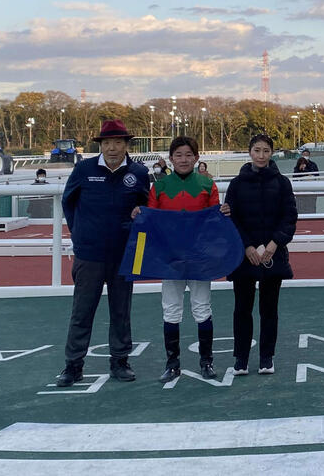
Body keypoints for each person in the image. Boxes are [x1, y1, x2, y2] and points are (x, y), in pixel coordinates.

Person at [55, 119, 149, 386]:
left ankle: (120, 361)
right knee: (82, 311)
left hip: (124, 255)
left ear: (126, 145)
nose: (112, 148)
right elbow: (68, 202)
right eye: (107, 142)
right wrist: (80, 233)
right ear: (101, 145)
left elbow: (145, 210)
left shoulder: (139, 173)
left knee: (121, 311)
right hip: (90, 254)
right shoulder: (83, 169)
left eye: (118, 142)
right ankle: (73, 365)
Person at [131, 136, 226, 382]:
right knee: (171, 311)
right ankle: (172, 364)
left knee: (202, 308)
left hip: (198, 258)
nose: (183, 159)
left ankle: (207, 362)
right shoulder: (159, 186)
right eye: (178, 155)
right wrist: (139, 214)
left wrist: (224, 212)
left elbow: (214, 222)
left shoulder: (208, 185)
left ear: (196, 158)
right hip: (170, 258)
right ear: (170, 159)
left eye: (188, 155)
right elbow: (151, 220)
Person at [225, 134, 297, 375]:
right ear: (250, 152)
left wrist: (274, 244)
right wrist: (246, 247)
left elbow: (289, 217)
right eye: (257, 150)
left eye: (266, 151)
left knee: (269, 310)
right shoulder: (236, 184)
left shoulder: (283, 183)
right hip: (244, 257)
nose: (261, 155)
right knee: (242, 310)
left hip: (272, 255)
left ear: (271, 153)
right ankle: (241, 358)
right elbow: (232, 219)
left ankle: (267, 357)